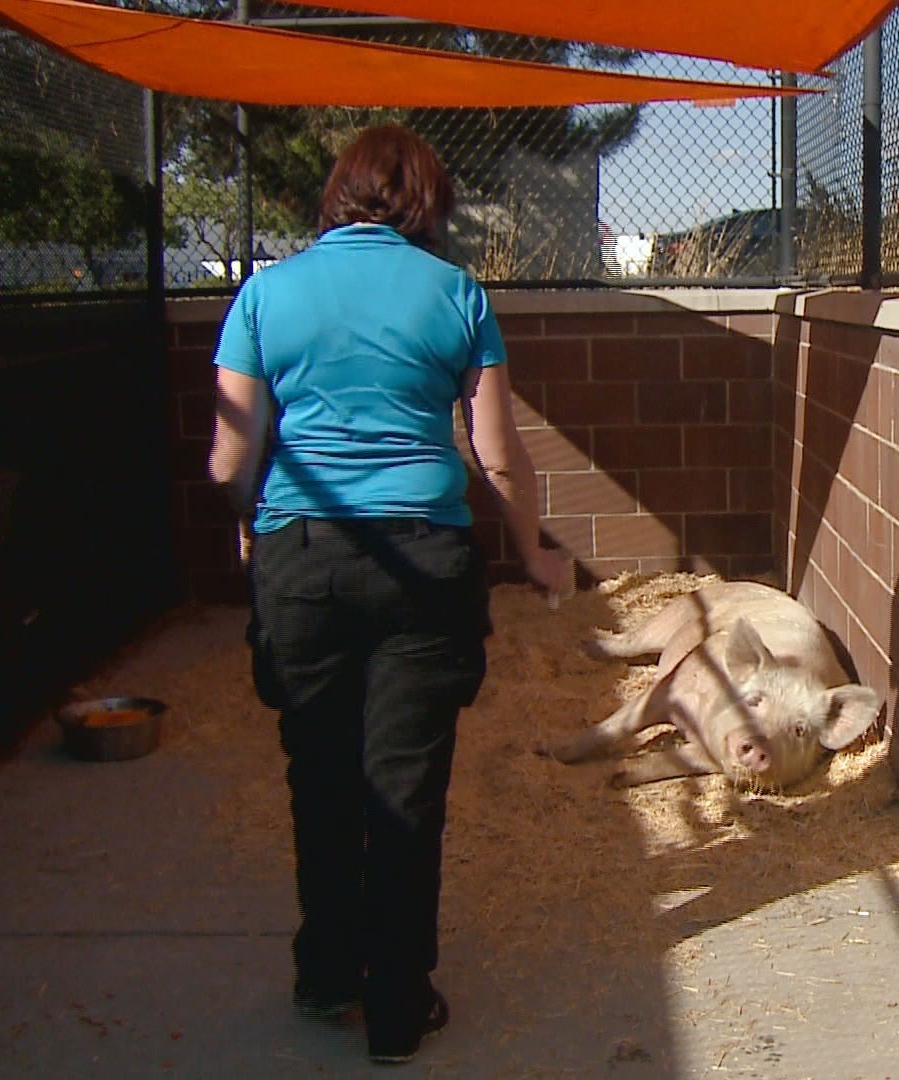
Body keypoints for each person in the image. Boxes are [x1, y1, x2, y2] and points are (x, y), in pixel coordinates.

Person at [207, 124, 573, 1065]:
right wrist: (532, 555)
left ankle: (329, 976)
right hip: (425, 559)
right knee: (406, 790)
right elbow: (495, 454)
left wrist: (248, 516)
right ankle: (399, 1008)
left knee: (320, 775)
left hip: (305, 560)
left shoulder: (264, 294)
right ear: (426, 205)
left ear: (336, 195)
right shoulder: (456, 295)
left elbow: (228, 454)